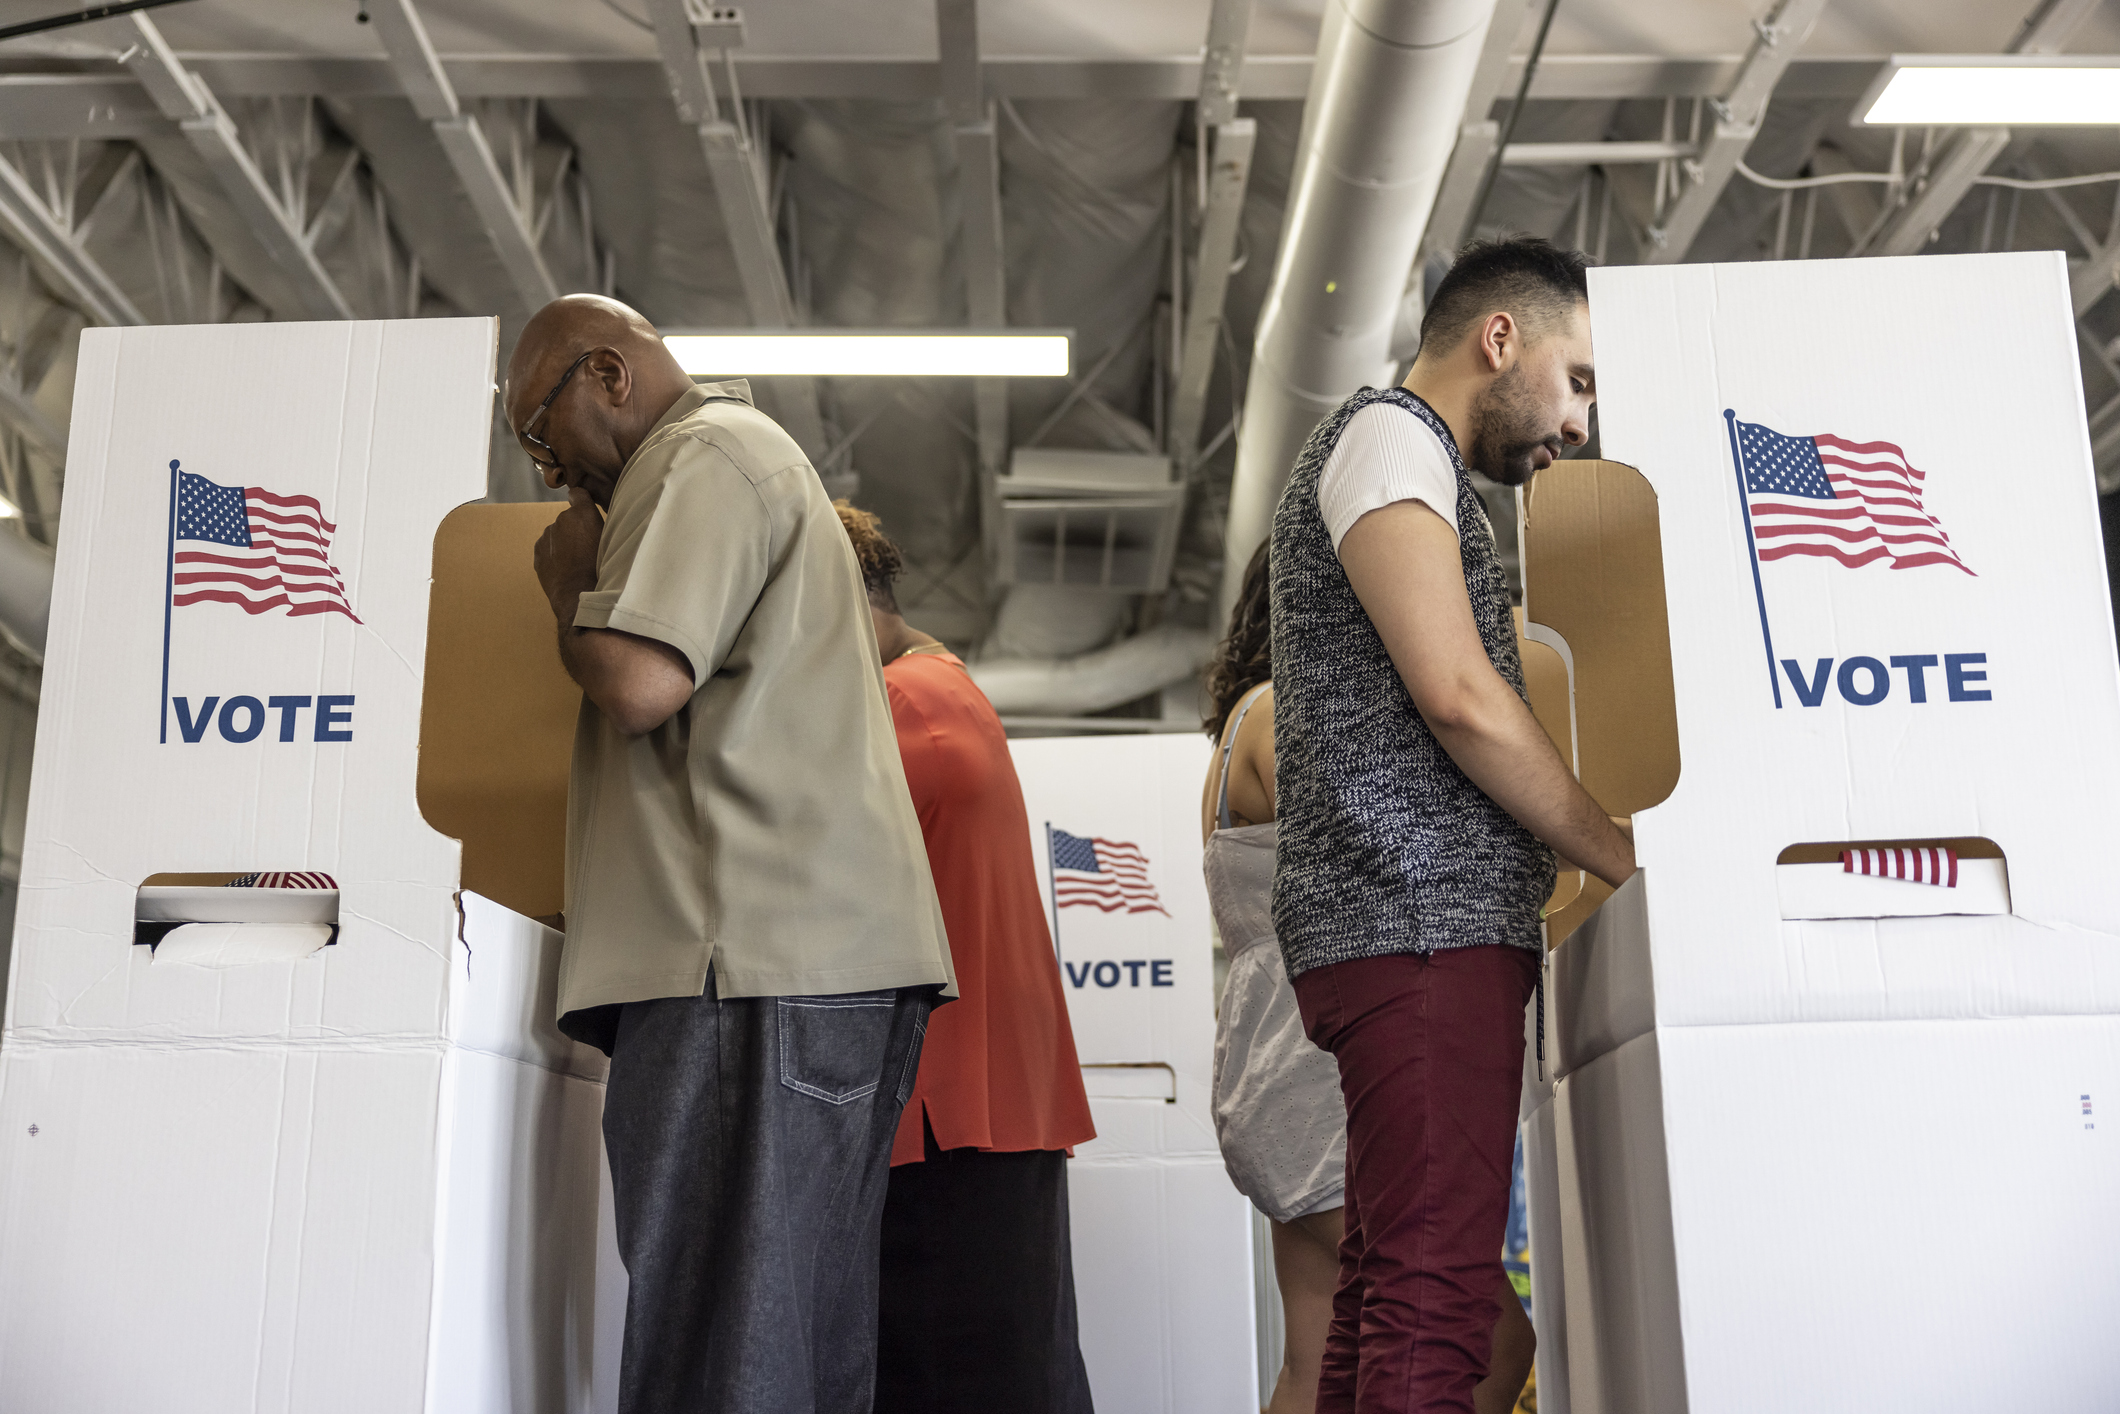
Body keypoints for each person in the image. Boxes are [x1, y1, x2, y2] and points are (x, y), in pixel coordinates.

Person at [511, 294, 955, 1414]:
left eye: (537, 432)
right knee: (794, 1349)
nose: (550, 474)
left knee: (722, 1354)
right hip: (797, 967)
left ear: (605, 374)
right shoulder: (744, 459)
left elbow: (637, 681)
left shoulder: (696, 453)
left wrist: (568, 584)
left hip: (740, 969)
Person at [1268, 236, 1635, 1414]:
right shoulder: (1388, 441)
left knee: (1385, 1295)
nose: (1578, 423)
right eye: (1576, 378)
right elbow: (1459, 696)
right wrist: (1614, 849)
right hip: (1414, 924)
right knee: (1433, 1306)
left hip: (1398, 926)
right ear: (1499, 340)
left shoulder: (1406, 459)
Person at [1202, 543, 1534, 1414]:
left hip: (1277, 1063)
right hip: (1328, 1070)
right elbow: (1392, 847)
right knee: (1488, 1341)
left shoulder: (1250, 716)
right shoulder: (1286, 716)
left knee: (1316, 1363)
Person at [834, 501, 1100, 1414]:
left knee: (953, 1375)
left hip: (947, 1105)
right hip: (984, 1101)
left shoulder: (904, 704)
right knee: (1016, 1373)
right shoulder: (942, 682)